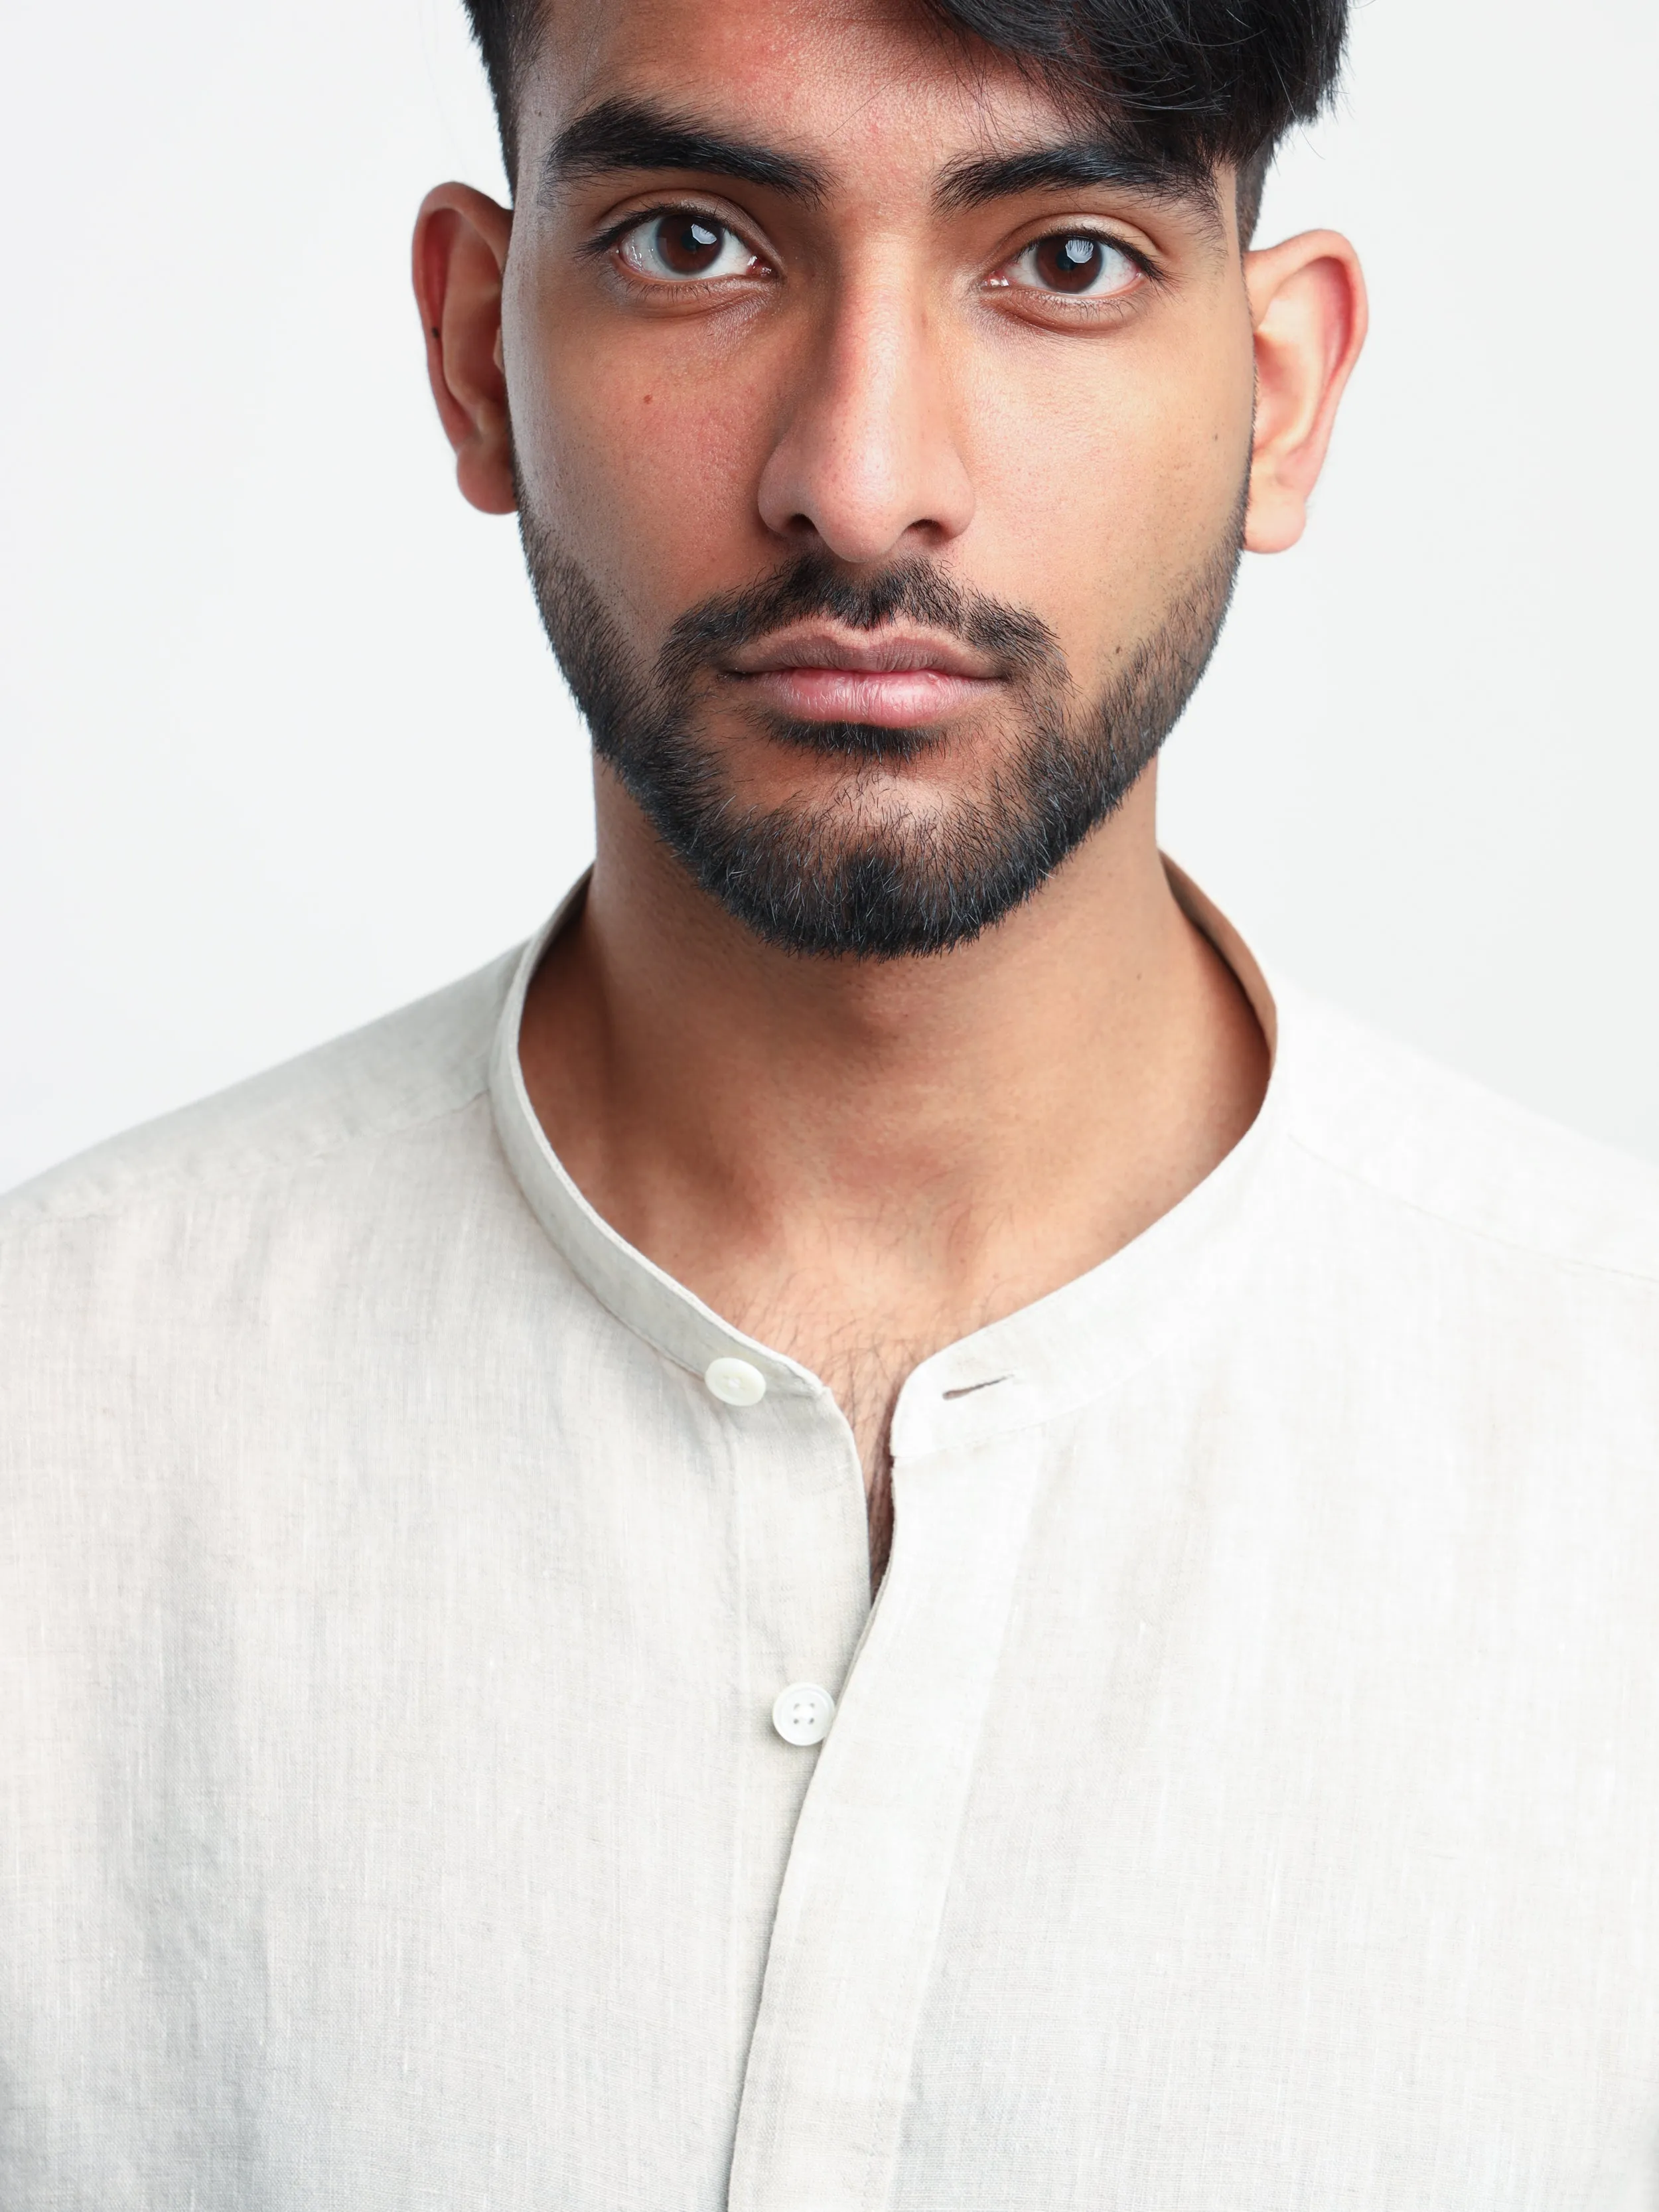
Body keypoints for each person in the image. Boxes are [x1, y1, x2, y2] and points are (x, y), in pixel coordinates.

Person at [3, 0, 1658, 2200]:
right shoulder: (50, 1442)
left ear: (1277, 395)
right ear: (475, 347)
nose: (861, 473)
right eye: (695, 241)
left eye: (1061, 257)